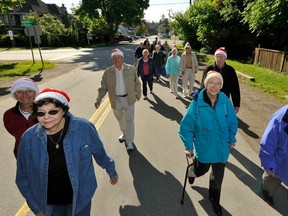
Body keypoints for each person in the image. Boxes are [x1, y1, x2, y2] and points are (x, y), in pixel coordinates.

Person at [16, 88, 118, 216]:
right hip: (49, 206)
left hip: (81, 200)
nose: (46, 117)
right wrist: (36, 208)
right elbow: (22, 177)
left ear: (63, 111)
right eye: (41, 113)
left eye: (53, 111)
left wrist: (111, 170)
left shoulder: (84, 128)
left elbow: (99, 153)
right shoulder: (29, 138)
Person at [179, 71, 238, 216]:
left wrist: (232, 138)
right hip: (204, 146)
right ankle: (193, 170)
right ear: (206, 83)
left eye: (218, 83)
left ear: (221, 86)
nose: (214, 86)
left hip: (221, 147)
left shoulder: (224, 101)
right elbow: (186, 126)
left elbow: (232, 121)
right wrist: (188, 146)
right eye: (211, 82)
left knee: (217, 178)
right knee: (202, 170)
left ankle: (214, 199)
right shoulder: (197, 102)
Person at [95, 49, 141, 150]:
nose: (116, 60)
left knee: (129, 121)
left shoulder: (131, 69)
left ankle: (129, 141)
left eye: (118, 57)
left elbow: (137, 82)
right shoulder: (108, 72)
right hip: (116, 100)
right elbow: (103, 87)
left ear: (122, 58)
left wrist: (138, 93)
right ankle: (124, 133)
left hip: (129, 99)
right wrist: (98, 99)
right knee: (121, 119)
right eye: (114, 58)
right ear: (112, 59)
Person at [259, 104, 288, 206]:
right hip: (279, 164)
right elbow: (267, 143)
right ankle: (266, 193)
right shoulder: (282, 117)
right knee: (269, 185)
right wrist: (269, 165)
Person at [3, 78, 39, 159]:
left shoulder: (46, 111)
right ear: (15, 95)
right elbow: (12, 131)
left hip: (48, 159)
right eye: (19, 91)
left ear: (35, 93)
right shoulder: (9, 115)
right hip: (22, 158)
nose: (25, 95)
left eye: (29, 90)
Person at [201, 47, 241, 113]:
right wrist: (202, 101)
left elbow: (235, 88)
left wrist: (236, 105)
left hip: (224, 101)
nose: (219, 59)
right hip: (209, 100)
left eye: (221, 57)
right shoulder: (208, 69)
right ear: (214, 57)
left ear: (225, 58)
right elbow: (203, 86)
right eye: (217, 56)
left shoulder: (230, 70)